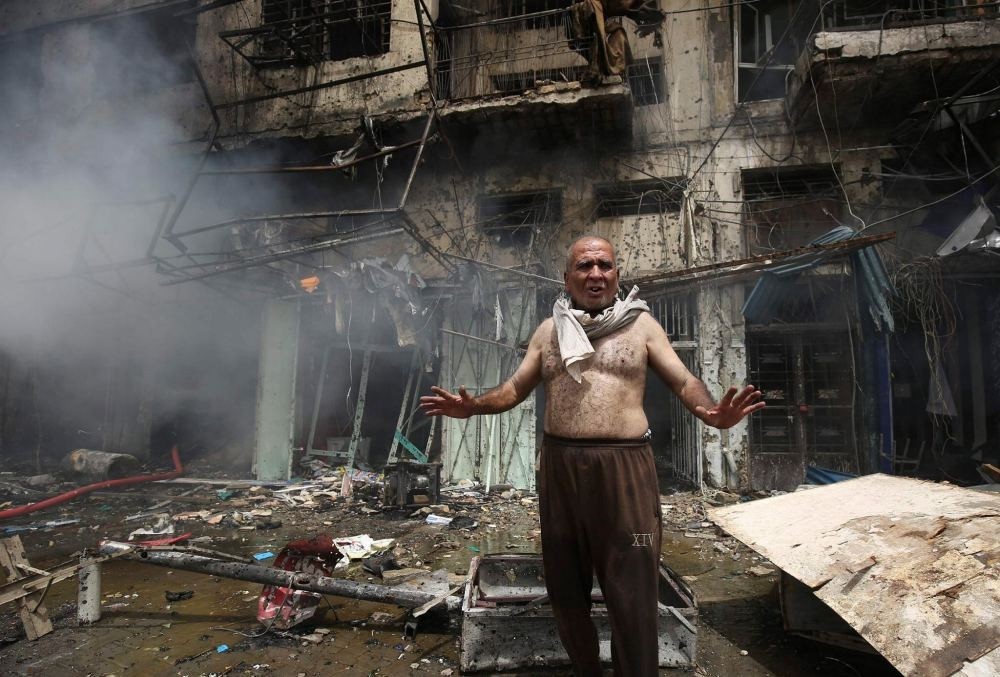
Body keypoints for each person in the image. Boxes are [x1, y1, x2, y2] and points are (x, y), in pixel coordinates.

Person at [420, 235, 764, 676]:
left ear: (617, 275)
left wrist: (710, 412)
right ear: (567, 278)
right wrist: (472, 407)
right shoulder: (549, 332)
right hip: (562, 470)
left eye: (605, 265)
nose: (595, 274)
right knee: (566, 585)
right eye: (584, 266)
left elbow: (683, 380)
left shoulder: (642, 326)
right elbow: (512, 390)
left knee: (633, 587)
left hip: (624, 470)